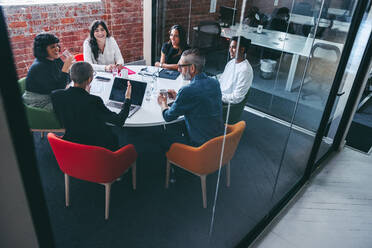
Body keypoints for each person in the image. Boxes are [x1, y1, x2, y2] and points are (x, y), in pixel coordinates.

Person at [51, 62, 132, 151]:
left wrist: (85, 94)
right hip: (98, 147)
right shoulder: (94, 101)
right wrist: (127, 98)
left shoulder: (56, 95)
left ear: (71, 77)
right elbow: (119, 120)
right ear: (90, 79)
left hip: (71, 142)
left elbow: (75, 104)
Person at [157, 48, 224, 149]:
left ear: (192, 68)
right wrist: (177, 98)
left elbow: (168, 117)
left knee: (160, 134)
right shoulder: (214, 82)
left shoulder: (187, 90)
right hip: (218, 139)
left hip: (200, 143)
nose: (178, 70)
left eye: (181, 66)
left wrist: (163, 103)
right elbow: (201, 102)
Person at [23, 33, 74, 110]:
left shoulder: (55, 59)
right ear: (43, 50)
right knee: (75, 104)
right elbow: (58, 90)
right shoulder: (39, 67)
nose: (57, 49)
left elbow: (67, 79)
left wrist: (68, 69)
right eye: (52, 47)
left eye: (57, 45)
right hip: (39, 103)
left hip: (50, 95)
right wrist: (66, 68)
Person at [219, 36, 253, 104]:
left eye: (233, 47)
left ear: (242, 49)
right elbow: (222, 80)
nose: (230, 50)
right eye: (230, 47)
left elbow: (236, 98)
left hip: (224, 102)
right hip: (219, 95)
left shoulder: (245, 70)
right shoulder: (231, 63)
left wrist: (217, 96)